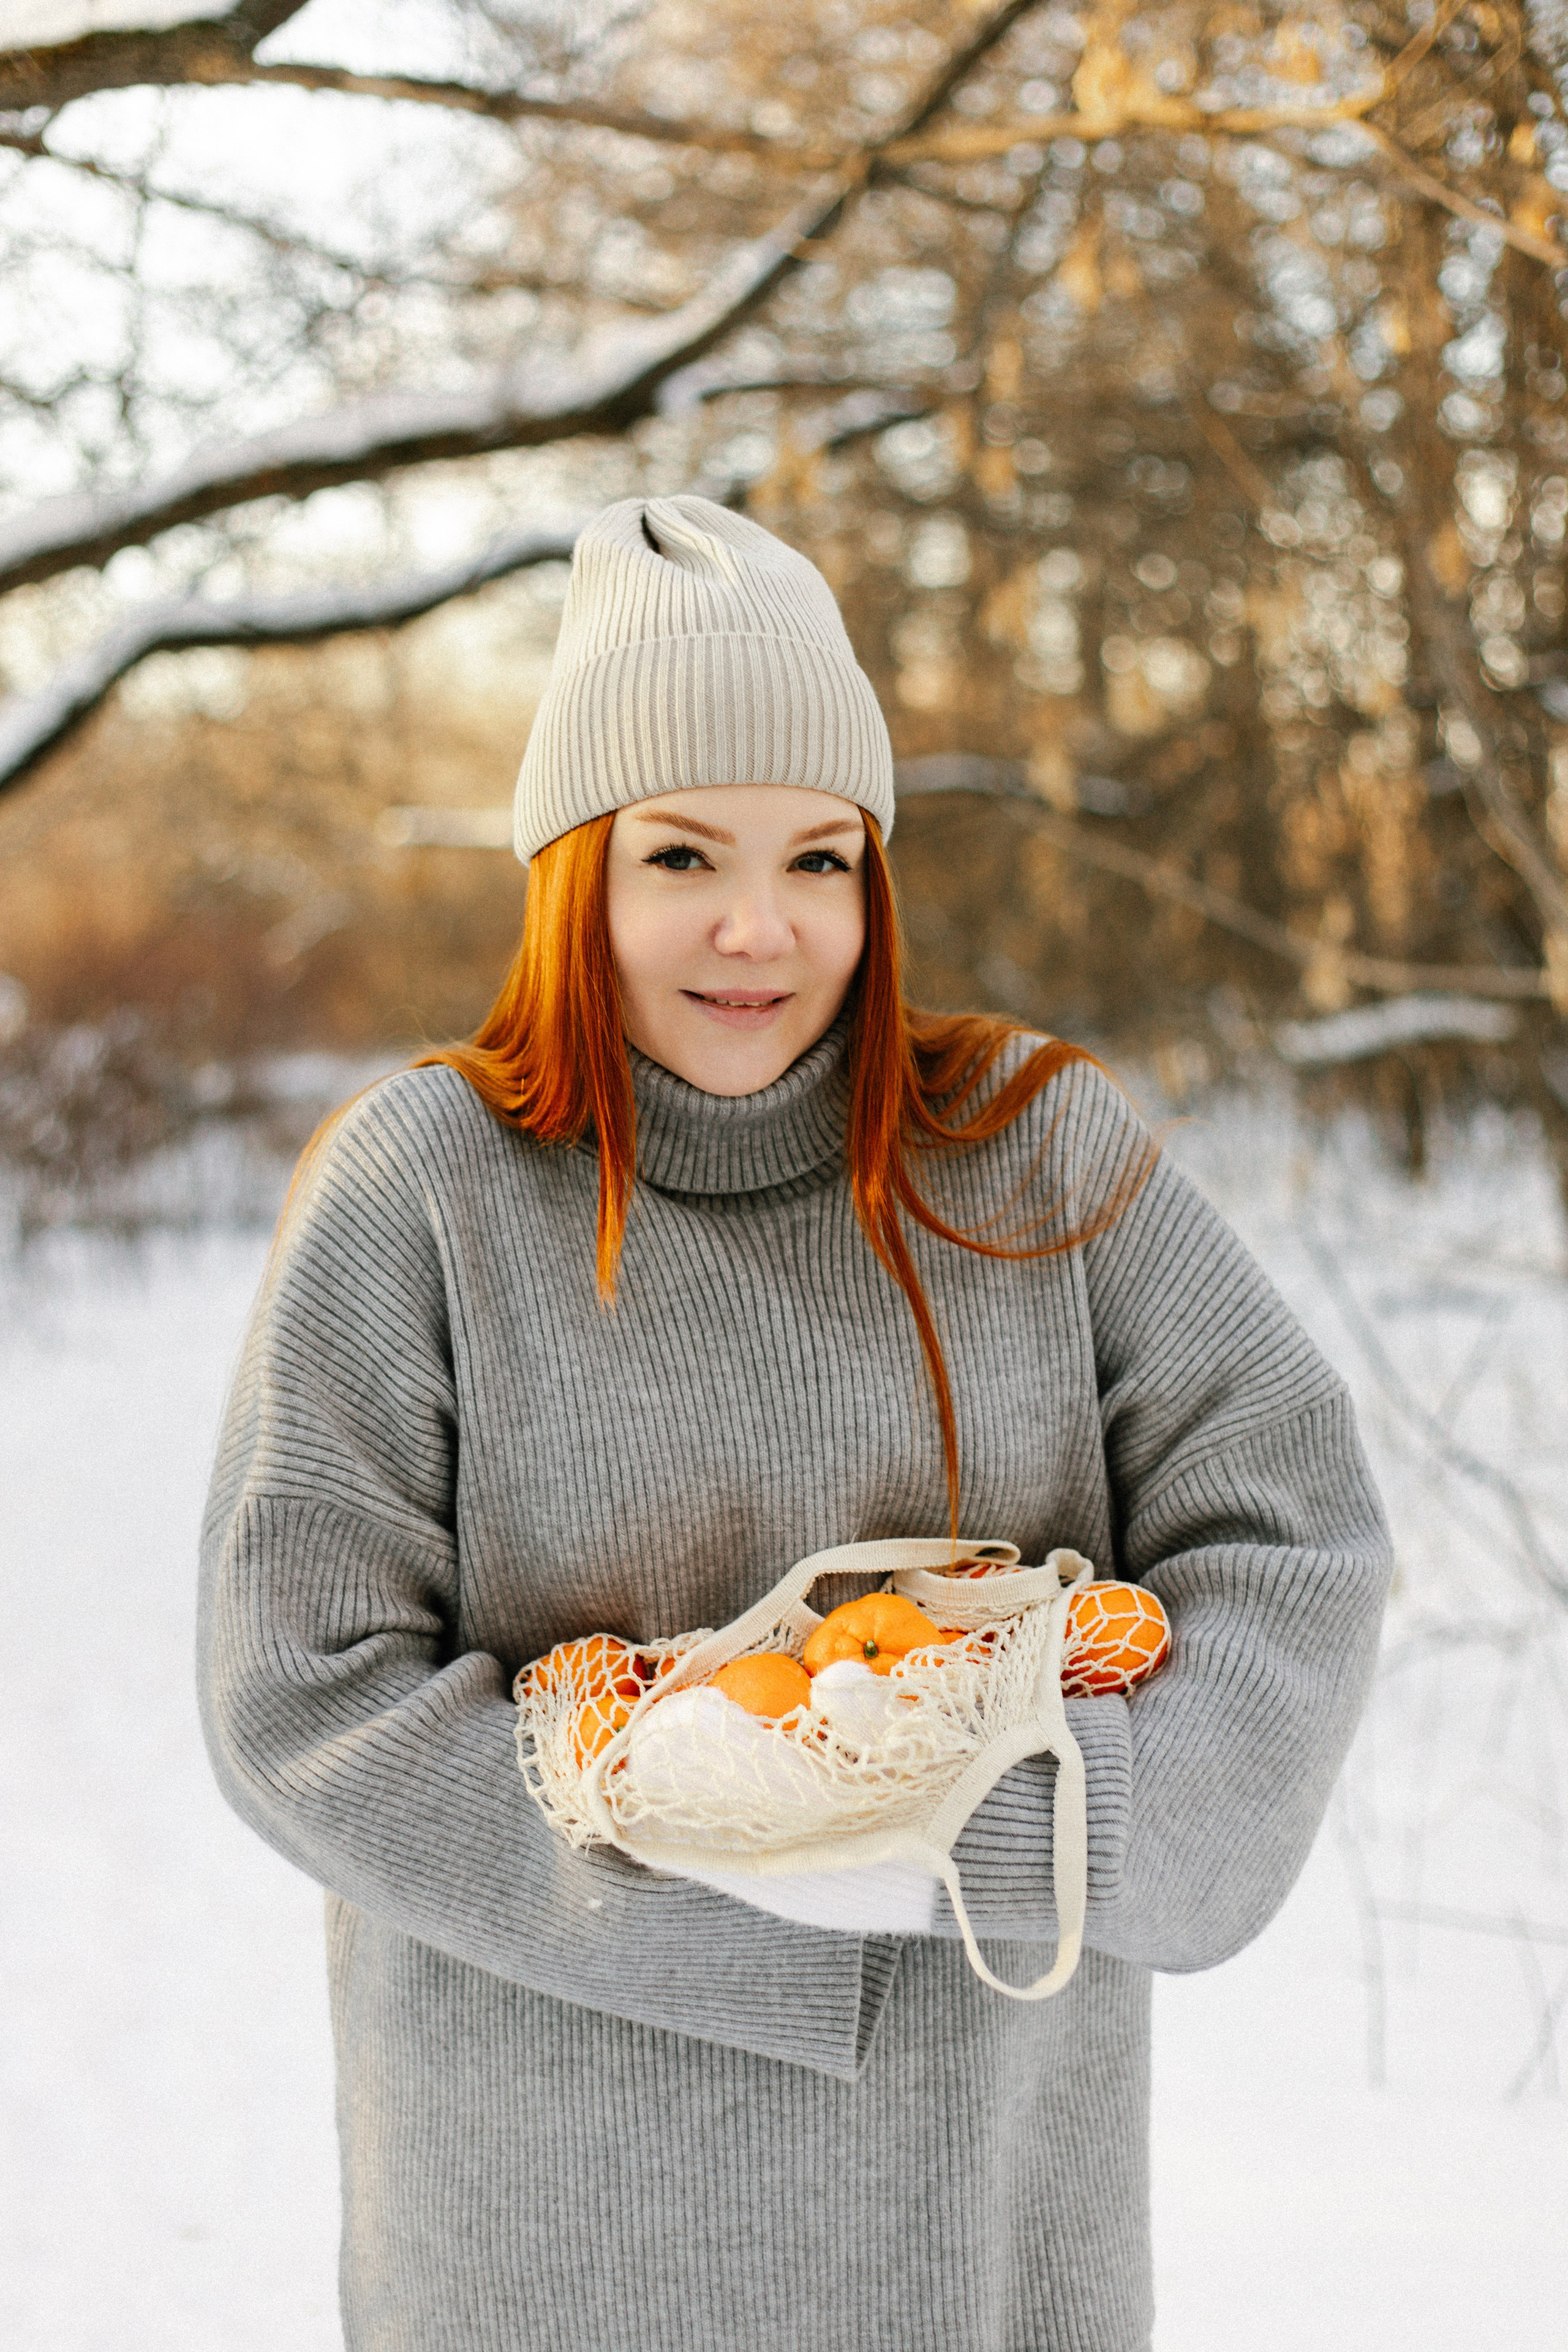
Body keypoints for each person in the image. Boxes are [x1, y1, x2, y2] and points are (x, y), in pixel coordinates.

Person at [199, 494, 1392, 2352]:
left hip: (977, 2202)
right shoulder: (421, 1188)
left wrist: (1024, 1835)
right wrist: (736, 1847)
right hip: (542, 2209)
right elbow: (299, 1690)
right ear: (575, 868)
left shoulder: (1030, 1147)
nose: (760, 928)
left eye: (820, 861)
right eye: (683, 854)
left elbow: (1289, 1534)